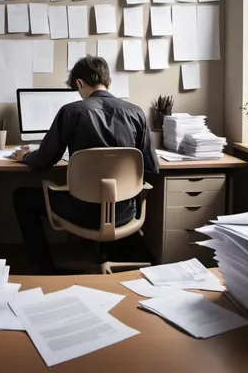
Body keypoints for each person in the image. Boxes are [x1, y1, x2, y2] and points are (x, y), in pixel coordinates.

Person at [12, 55, 159, 274]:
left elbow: (42, 162)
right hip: (125, 211)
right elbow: (152, 168)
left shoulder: (71, 112)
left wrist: (24, 156)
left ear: (80, 83)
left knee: (21, 197)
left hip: (82, 212)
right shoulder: (136, 113)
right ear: (108, 81)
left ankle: (44, 268)